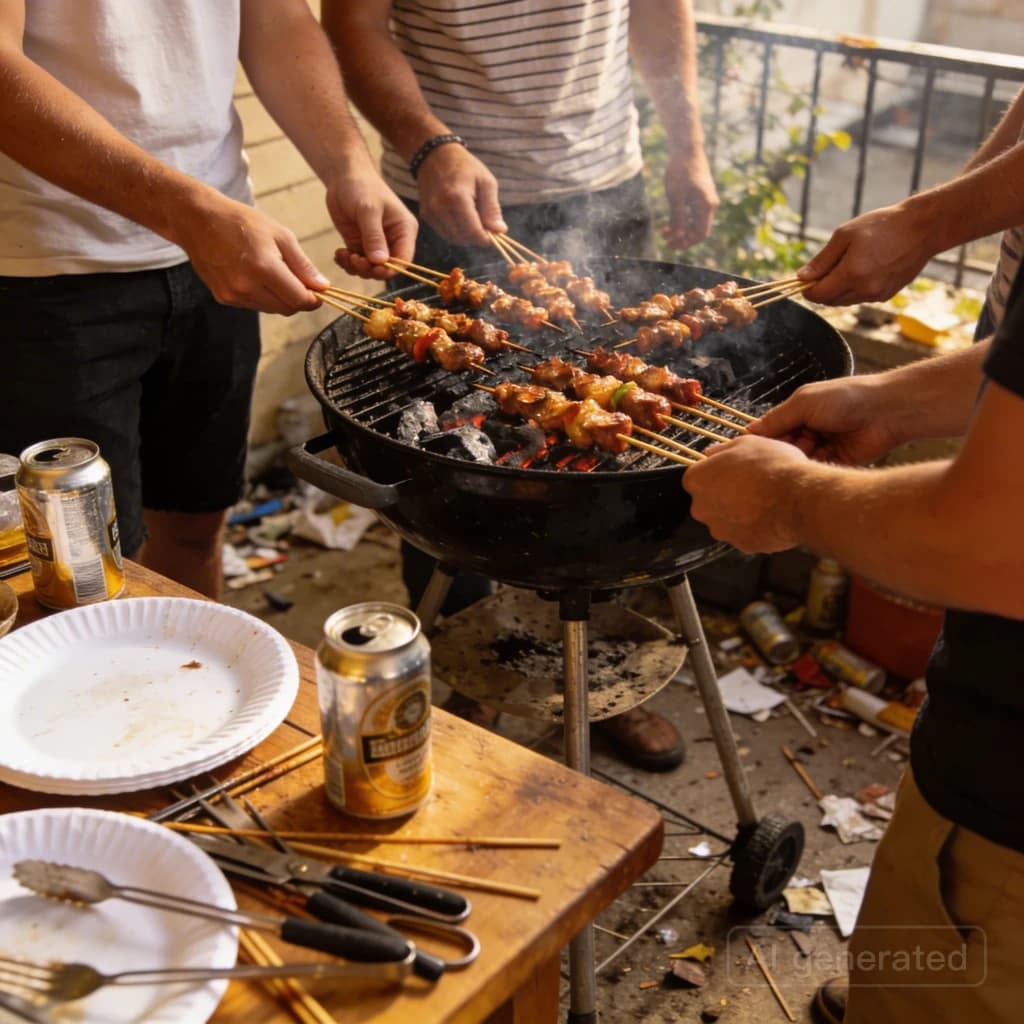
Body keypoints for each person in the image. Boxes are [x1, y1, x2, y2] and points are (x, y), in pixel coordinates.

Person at [322, 0, 718, 772]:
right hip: (444, 195)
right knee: (442, 463)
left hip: (606, 179)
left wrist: (688, 146)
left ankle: (602, 668)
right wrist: (429, 145)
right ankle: (474, 671)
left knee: (614, 483)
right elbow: (352, 23)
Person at [0, 0, 417, 599]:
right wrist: (188, 215)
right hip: (47, 267)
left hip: (220, 249)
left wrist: (349, 165)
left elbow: (276, 20)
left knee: (195, 528)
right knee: (80, 570)